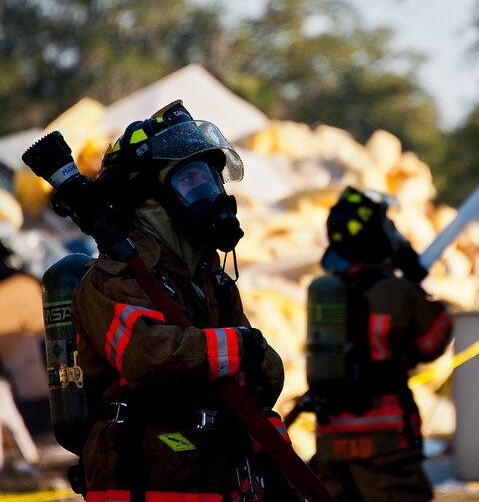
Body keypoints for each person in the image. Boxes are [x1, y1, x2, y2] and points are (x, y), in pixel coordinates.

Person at [69, 100, 291, 501]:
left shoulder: (210, 279)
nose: (214, 195)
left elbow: (261, 378)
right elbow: (152, 360)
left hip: (215, 475)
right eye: (192, 181)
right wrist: (246, 347)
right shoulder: (112, 280)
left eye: (213, 180)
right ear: (148, 200)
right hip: (147, 481)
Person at [305, 186, 453, 502]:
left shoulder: (327, 292)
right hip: (383, 435)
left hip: (331, 434)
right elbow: (434, 341)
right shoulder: (397, 292)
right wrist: (415, 275)